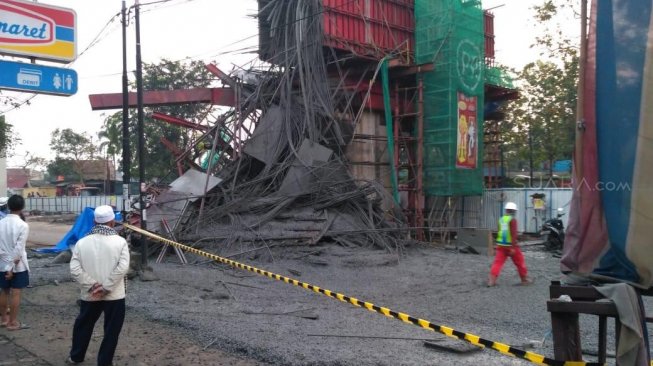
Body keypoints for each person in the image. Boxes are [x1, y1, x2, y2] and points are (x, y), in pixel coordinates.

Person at [67, 205, 130, 366]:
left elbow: (74, 268)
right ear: (112, 221)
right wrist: (106, 287)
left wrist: (92, 285)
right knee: (111, 330)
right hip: (114, 295)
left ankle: (76, 356)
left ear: (94, 221)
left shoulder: (82, 243)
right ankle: (104, 362)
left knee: (84, 325)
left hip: (90, 294)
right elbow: (122, 268)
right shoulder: (120, 242)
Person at [0, 195, 30, 330]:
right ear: (22, 207)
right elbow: (19, 249)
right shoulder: (23, 225)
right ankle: (13, 322)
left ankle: (4, 320)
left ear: (8, 206)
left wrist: (5, 264)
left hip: (1, 263)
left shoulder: (0, 222)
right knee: (16, 292)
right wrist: (10, 268)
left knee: (4, 291)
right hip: (17, 265)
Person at [488, 202, 531, 287]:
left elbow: (499, 232)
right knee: (520, 262)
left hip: (501, 245)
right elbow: (513, 234)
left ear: (506, 210)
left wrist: (496, 244)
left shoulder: (501, 219)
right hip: (510, 246)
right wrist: (512, 247)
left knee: (497, 263)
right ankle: (524, 280)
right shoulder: (512, 220)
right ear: (514, 211)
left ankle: (491, 281)